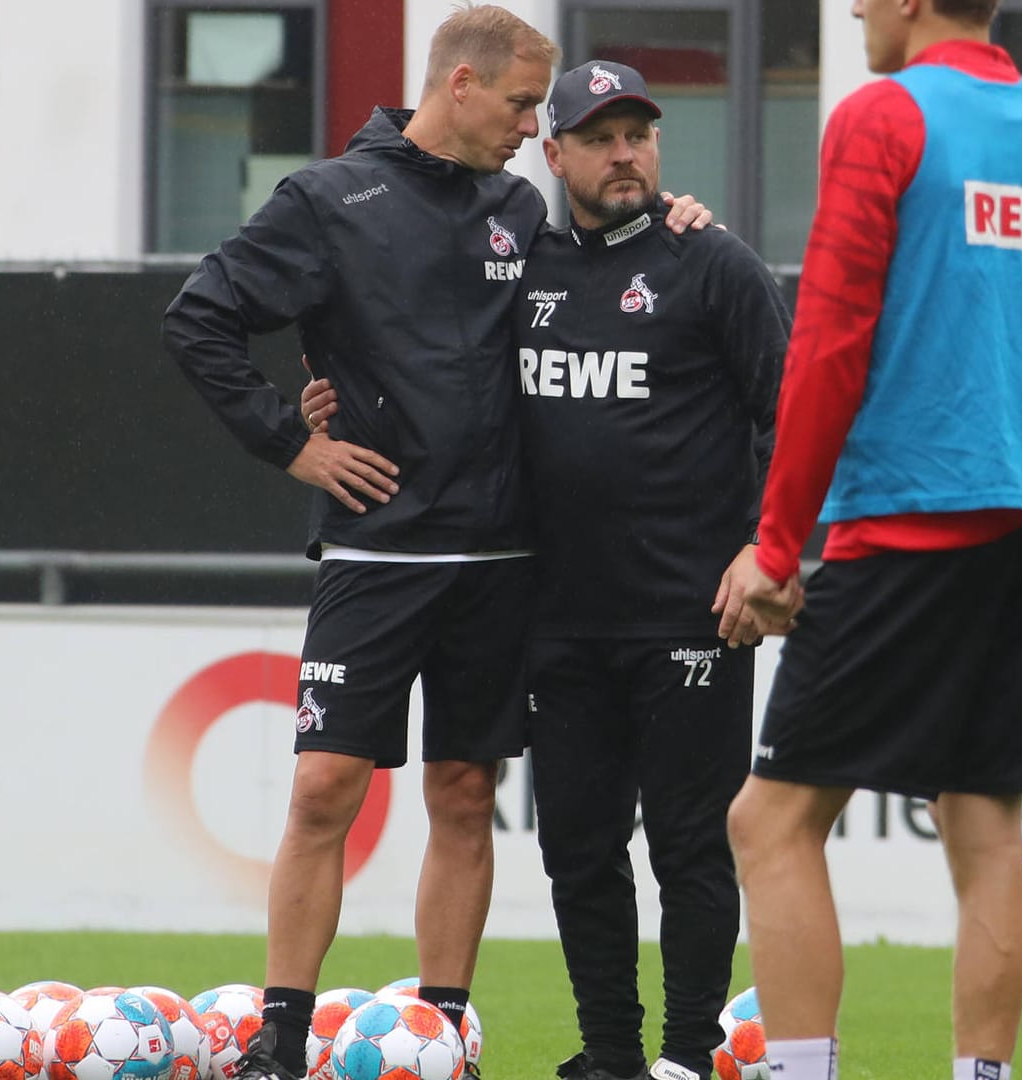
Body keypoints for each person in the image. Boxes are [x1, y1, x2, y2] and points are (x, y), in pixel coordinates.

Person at [161, 8, 707, 1080]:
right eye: (518, 106)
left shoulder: (517, 205)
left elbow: (595, 292)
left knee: (465, 795)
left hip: (505, 561)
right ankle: (280, 1037)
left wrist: (670, 225)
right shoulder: (326, 201)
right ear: (460, 86)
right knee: (324, 787)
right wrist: (293, 444)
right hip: (377, 554)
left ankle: (441, 1032)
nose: (529, 129)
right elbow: (198, 318)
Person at [302, 57, 788, 1080]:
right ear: (552, 152)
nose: (625, 154)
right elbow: (418, 347)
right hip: (556, 615)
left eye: (640, 135)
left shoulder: (714, 262)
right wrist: (319, 398)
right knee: (578, 848)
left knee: (690, 847)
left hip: (692, 612)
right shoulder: (520, 263)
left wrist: (767, 551)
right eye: (601, 137)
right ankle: (611, 1054)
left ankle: (689, 1057)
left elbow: (794, 419)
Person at [714, 2, 1022, 1079]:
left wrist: (779, 544)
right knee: (984, 825)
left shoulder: (882, 117)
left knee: (773, 821)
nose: (849, 9)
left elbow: (830, 344)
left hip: (907, 520)